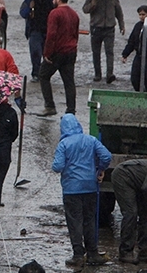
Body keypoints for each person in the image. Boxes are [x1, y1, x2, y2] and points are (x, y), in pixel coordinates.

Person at [52, 113, 111, 268]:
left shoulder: (64, 144)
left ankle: (78, 255)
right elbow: (106, 156)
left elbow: (57, 166)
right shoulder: (91, 140)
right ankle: (93, 253)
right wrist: (100, 169)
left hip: (71, 190)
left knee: (75, 221)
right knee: (90, 220)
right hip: (90, 188)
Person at [39, 0, 79, 116]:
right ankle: (71, 110)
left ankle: (50, 106)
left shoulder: (55, 14)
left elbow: (51, 35)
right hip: (71, 51)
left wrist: (47, 53)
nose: (52, 1)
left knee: (43, 75)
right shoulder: (74, 14)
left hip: (58, 52)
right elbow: (75, 34)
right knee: (69, 81)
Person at [82, 0, 125, 84]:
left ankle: (109, 74)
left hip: (109, 28)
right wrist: (92, 5)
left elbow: (119, 12)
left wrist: (121, 25)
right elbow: (85, 9)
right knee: (96, 52)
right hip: (96, 28)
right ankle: (98, 74)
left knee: (109, 52)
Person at [111, 159, 147, 264]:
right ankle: (125, 252)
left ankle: (144, 251)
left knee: (145, 215)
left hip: (137, 182)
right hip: (122, 176)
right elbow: (146, 189)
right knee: (131, 213)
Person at [19, 0, 55, 82]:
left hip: (48, 30)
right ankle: (36, 73)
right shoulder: (29, 0)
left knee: (49, 53)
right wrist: (30, 8)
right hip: (35, 30)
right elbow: (23, 13)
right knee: (35, 52)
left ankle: (46, 73)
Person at [121, 5, 147, 91]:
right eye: (140, 15)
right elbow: (132, 41)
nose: (141, 17)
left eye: (143, 14)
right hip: (139, 56)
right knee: (135, 78)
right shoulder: (138, 26)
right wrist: (125, 54)